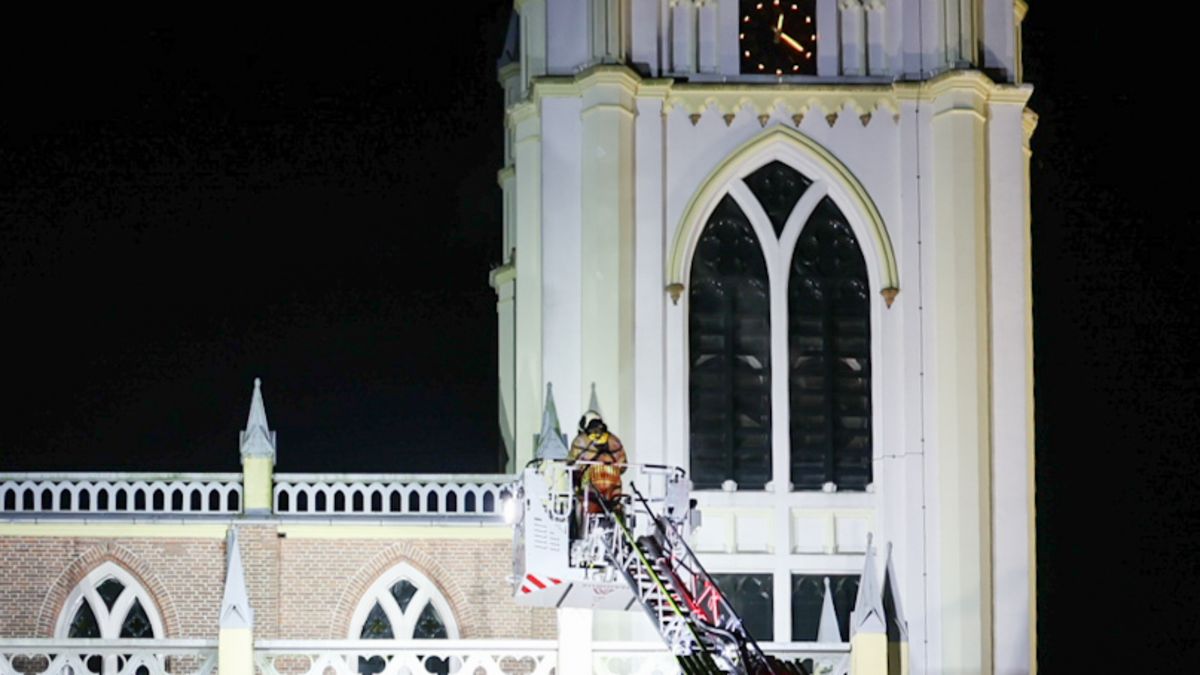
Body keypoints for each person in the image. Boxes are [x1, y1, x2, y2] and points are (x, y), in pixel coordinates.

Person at [568, 411, 627, 520]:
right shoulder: (615, 440)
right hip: (614, 485)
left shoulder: (580, 440)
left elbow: (571, 466)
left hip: (591, 485)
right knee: (616, 509)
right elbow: (623, 466)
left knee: (581, 507)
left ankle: (583, 532)